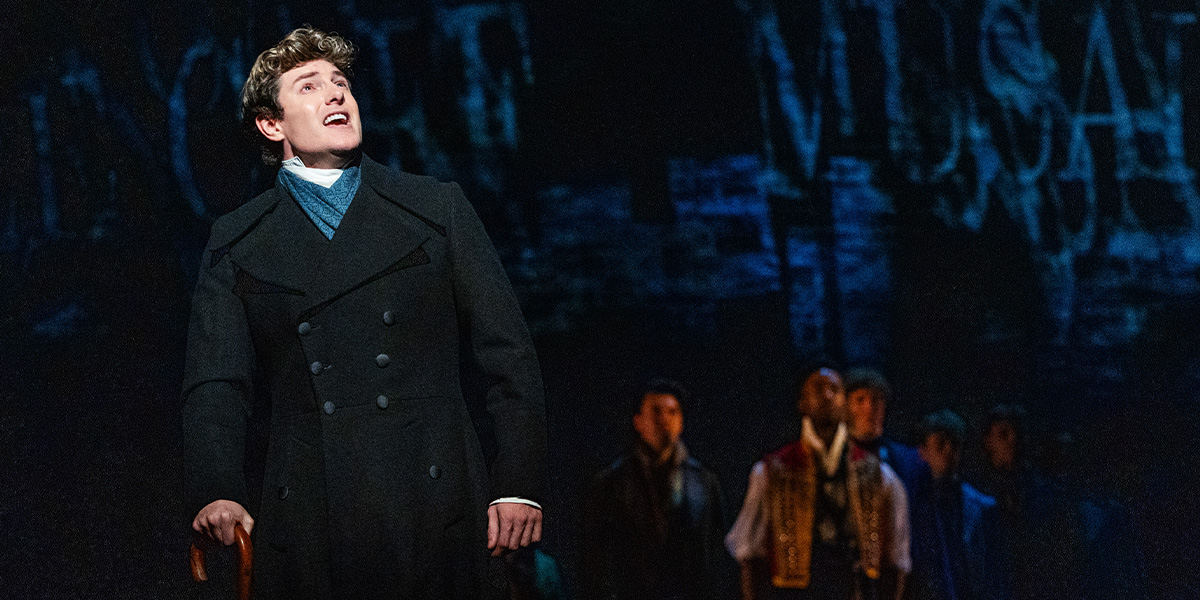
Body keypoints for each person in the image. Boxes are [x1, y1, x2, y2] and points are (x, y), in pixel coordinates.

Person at [181, 28, 546, 599]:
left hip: (439, 502)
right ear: (271, 124)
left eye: (342, 84)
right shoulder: (237, 241)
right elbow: (217, 384)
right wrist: (216, 488)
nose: (335, 95)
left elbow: (508, 353)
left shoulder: (435, 208)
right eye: (310, 86)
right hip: (309, 518)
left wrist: (517, 484)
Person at [726, 364, 910, 600]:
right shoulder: (772, 471)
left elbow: (896, 562)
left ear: (844, 402)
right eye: (817, 389)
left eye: (834, 389)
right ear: (802, 402)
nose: (827, 395)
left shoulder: (879, 475)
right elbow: (749, 557)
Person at [583, 378, 733, 600]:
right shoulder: (612, 483)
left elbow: (717, 550)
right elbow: (595, 558)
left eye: (672, 412)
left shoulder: (703, 481)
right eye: (656, 411)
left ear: (681, 422)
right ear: (638, 421)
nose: (664, 419)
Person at [908, 410, 1007, 600]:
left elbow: (994, 574)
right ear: (923, 451)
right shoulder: (914, 504)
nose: (948, 451)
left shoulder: (982, 507)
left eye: (955, 444)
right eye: (940, 444)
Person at [843, 368, 927, 502]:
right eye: (860, 400)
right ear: (845, 406)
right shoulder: (838, 456)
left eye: (876, 400)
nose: (869, 408)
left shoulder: (904, 459)